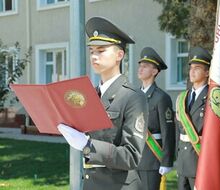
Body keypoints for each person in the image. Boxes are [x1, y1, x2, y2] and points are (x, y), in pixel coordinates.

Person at [57, 17, 148, 190]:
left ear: (119, 55)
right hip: (91, 184)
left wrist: (87, 145)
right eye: (92, 51)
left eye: (101, 50)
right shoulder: (90, 95)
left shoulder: (133, 97)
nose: (94, 56)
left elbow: (131, 156)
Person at [136, 47, 175, 190]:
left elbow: (168, 132)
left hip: (151, 158)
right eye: (140, 65)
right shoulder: (133, 95)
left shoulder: (161, 98)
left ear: (154, 71)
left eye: (145, 66)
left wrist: (166, 162)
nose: (140, 69)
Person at [175, 46, 212, 190]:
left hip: (200, 162)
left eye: (197, 68)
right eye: (190, 68)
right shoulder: (183, 97)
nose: (192, 71)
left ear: (207, 72)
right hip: (183, 161)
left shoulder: (212, 98)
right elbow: (179, 132)